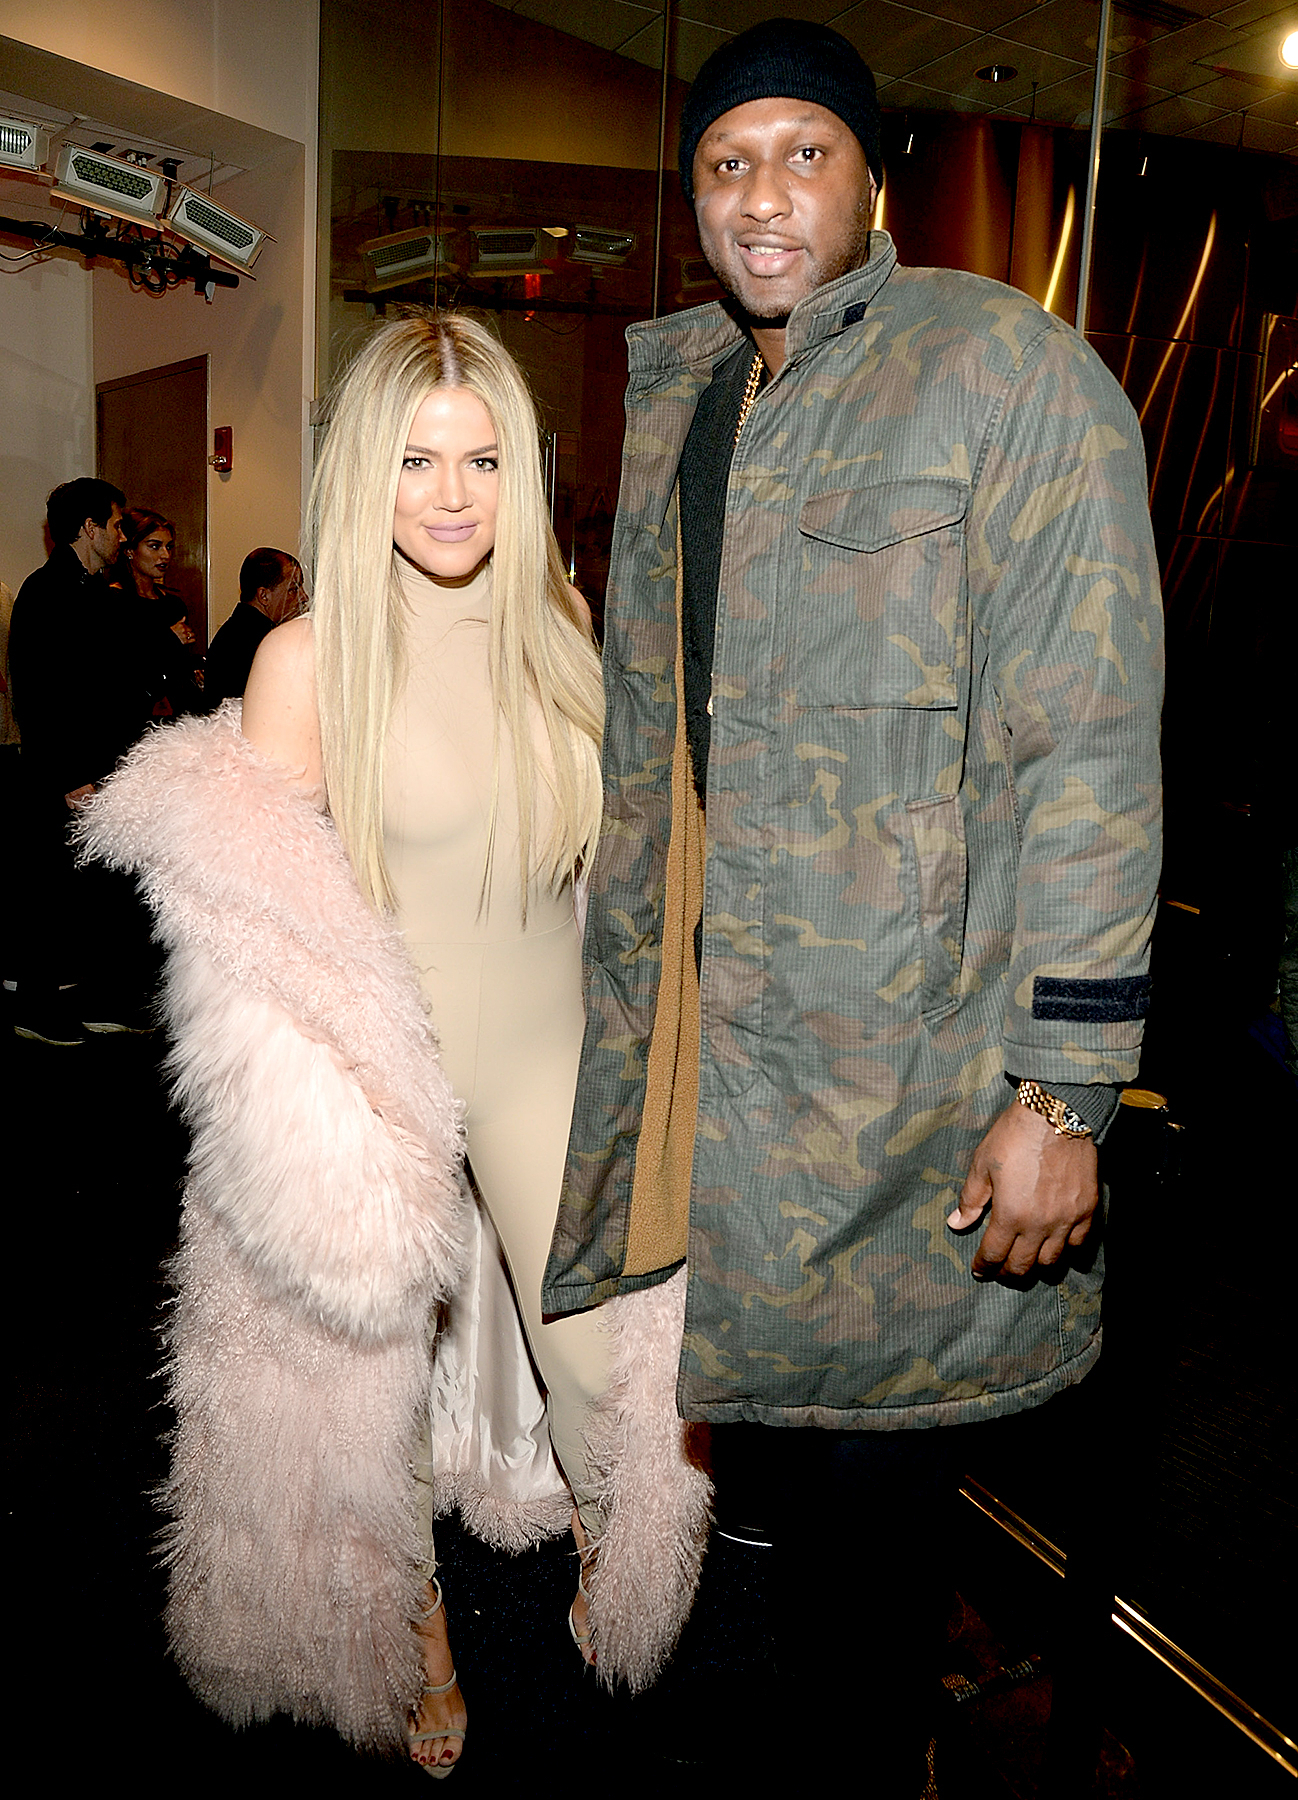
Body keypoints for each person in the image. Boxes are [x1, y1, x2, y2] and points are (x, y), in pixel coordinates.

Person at [542, 19, 1164, 1792]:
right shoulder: (690, 396)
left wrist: (1064, 1092)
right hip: (741, 1084)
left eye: (803, 153)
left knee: (875, 1541)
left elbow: (1089, 748)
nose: (762, 195)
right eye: (725, 161)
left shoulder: (1004, 372)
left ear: (872, 180)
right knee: (793, 1542)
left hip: (917, 1102)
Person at [74, 313, 710, 1770]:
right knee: (368, 1384)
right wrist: (314, 1123)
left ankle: (614, 1542)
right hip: (383, 1074)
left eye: (481, 458)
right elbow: (266, 934)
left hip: (552, 1053)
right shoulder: (309, 660)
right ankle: (411, 1622)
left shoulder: (560, 625)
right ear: (367, 470)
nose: (451, 494)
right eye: (417, 460)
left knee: (609, 1363)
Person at [7, 477, 159, 1042]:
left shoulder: (92, 589)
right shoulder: (45, 590)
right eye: (116, 525)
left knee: (100, 893)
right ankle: (34, 1008)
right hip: (66, 774)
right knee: (51, 897)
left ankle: (101, 998)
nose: (123, 536)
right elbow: (38, 694)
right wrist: (70, 775)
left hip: (100, 768)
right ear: (89, 527)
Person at [110, 508, 204, 716]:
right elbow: (120, 666)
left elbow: (175, 663)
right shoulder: (113, 600)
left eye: (169, 547)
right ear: (130, 550)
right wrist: (169, 639)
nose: (165, 555)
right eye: (155, 546)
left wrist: (194, 669)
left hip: (176, 714)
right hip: (132, 714)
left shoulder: (173, 604)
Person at [203, 548, 306, 707]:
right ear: (264, 596)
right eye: (293, 589)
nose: (303, 597)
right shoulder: (261, 642)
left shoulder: (235, 632)